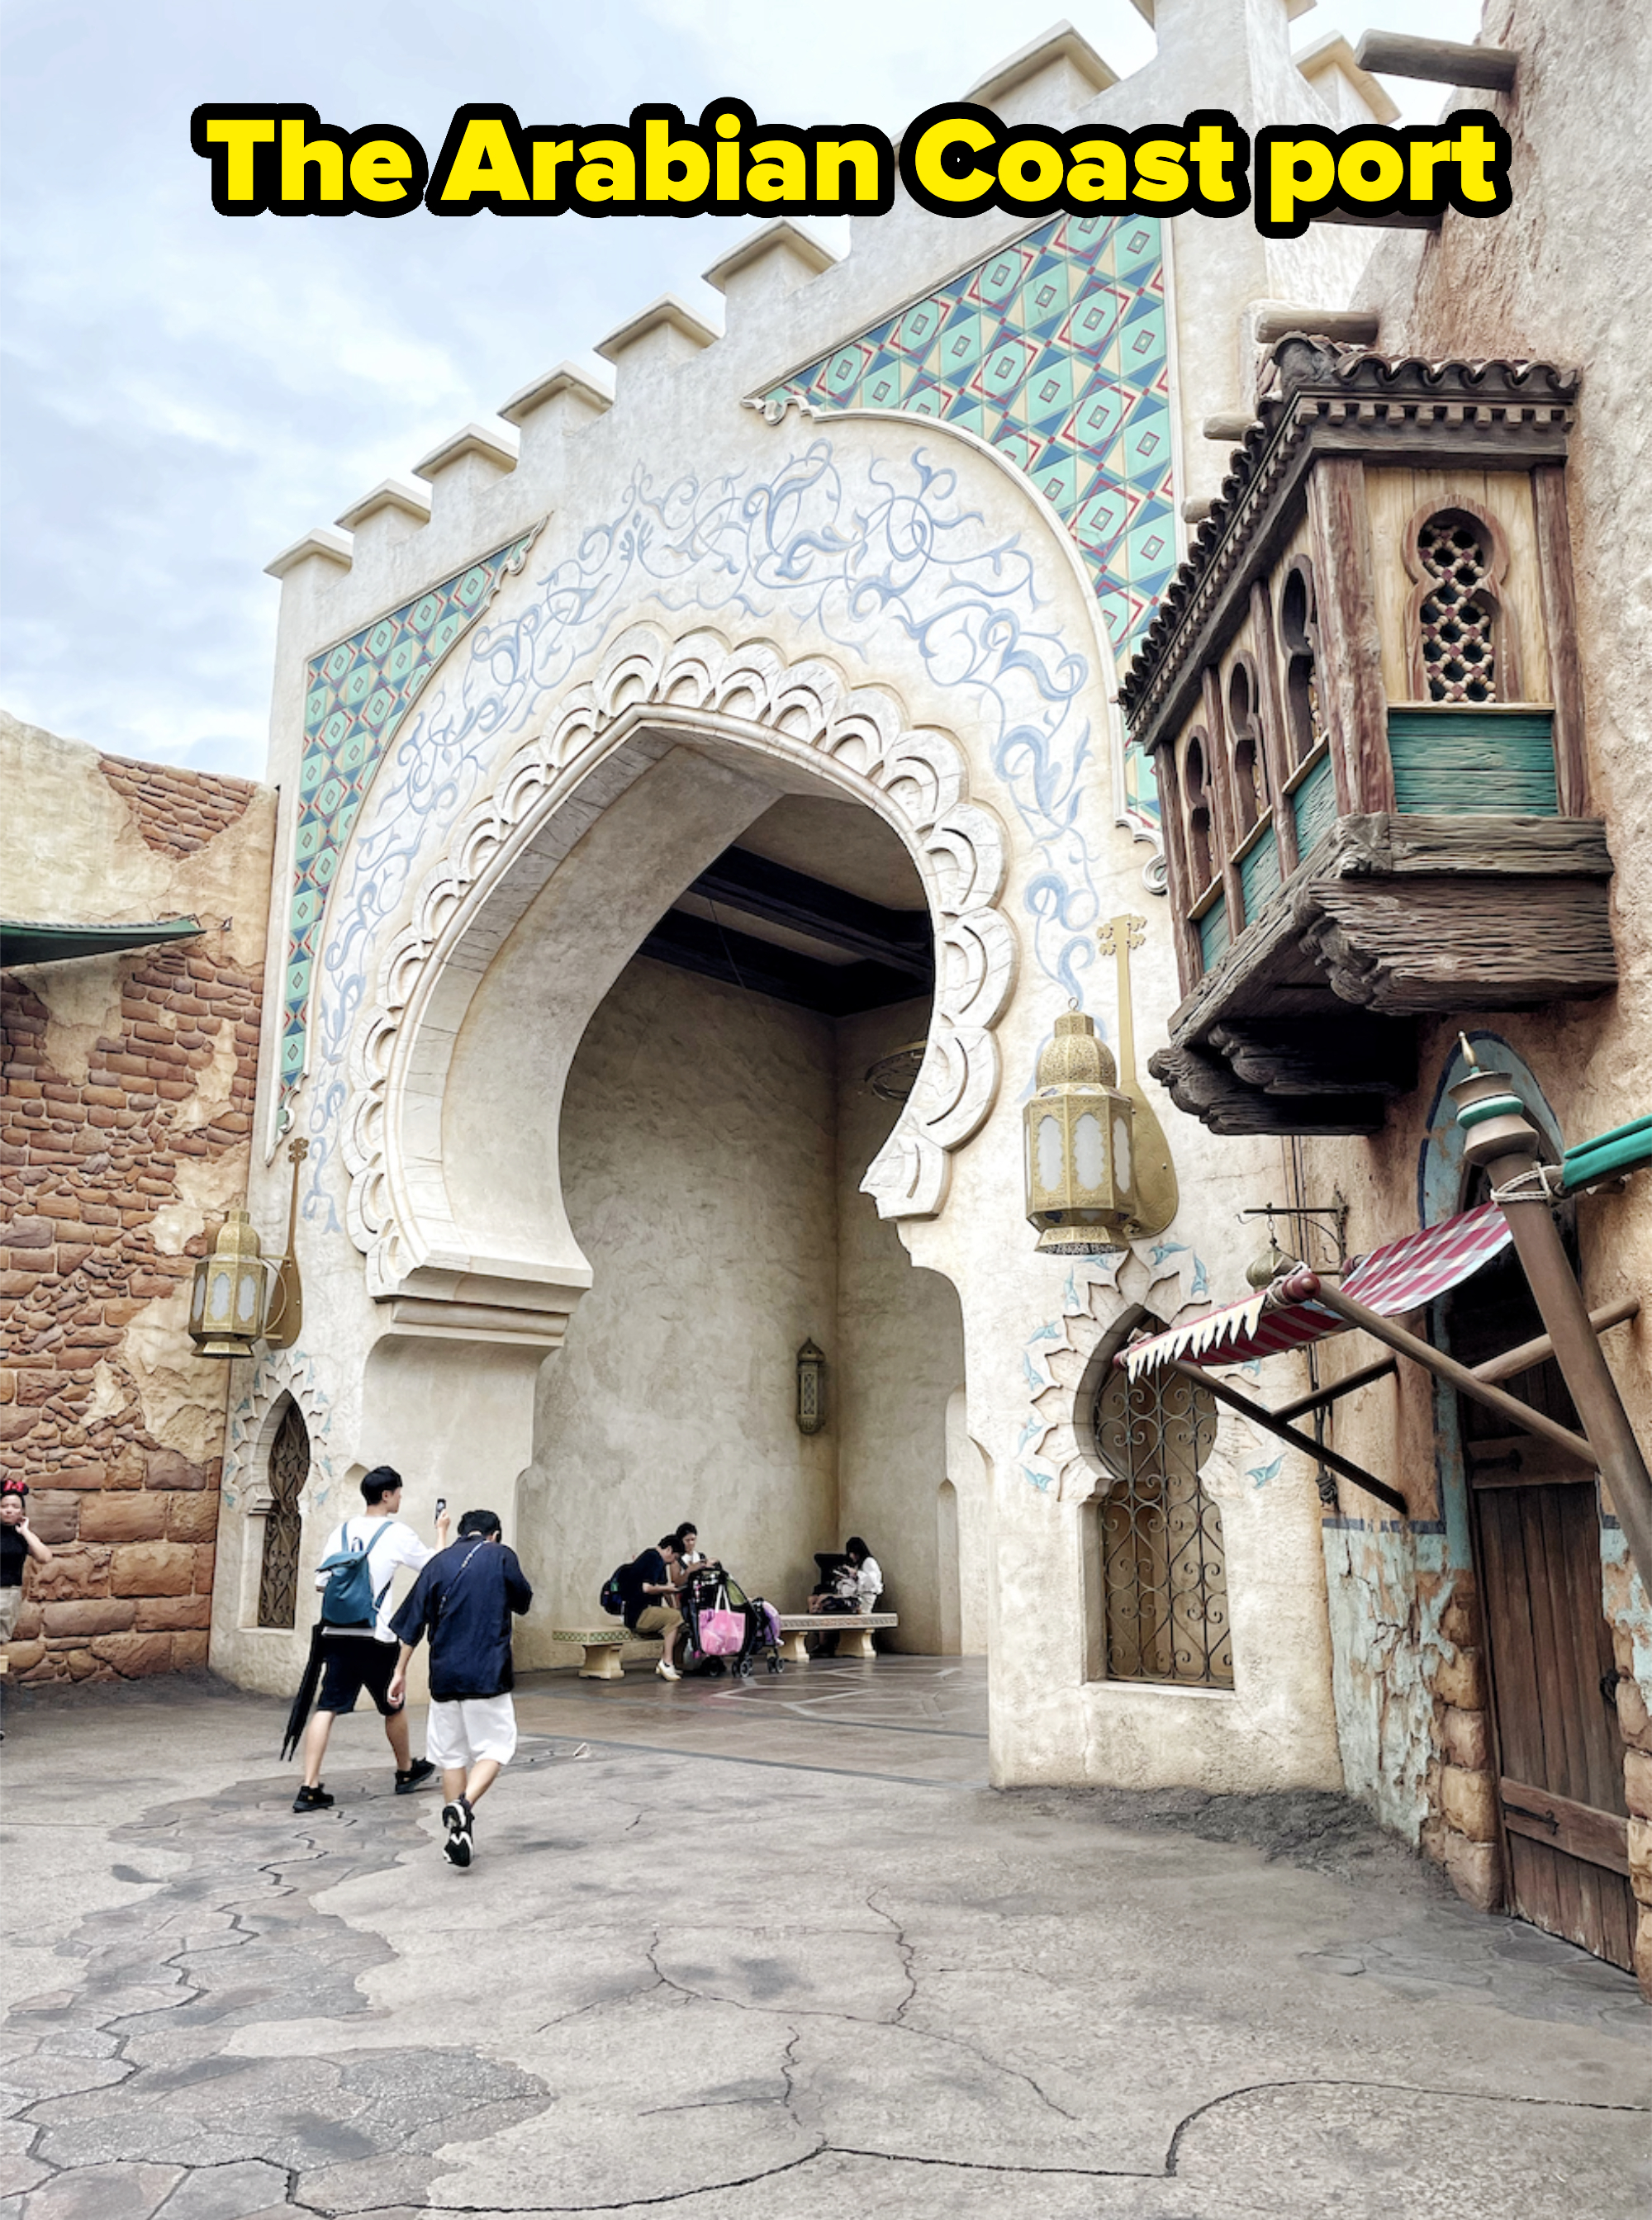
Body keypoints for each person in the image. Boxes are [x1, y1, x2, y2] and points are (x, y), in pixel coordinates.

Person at [290, 1466, 448, 1814]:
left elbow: (321, 1582)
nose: (401, 1498)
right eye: (399, 1493)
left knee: (327, 1707)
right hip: (376, 1636)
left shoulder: (342, 1531)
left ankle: (309, 1786)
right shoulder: (396, 1532)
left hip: (337, 1632)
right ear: (387, 1495)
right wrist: (441, 1532)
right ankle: (406, 1771)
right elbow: (435, 1566)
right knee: (393, 1704)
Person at [388, 1508, 533, 1869]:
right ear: (494, 1534)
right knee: (496, 1747)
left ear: (462, 1533)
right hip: (487, 1672)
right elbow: (523, 1601)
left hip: (444, 1675)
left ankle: (458, 1836)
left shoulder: (438, 1564)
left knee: (452, 1756)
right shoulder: (500, 1555)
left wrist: (399, 1671)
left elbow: (411, 1624)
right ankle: (464, 1806)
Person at [0, 1482, 53, 1677]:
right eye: (4, 1506)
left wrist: (26, 1531)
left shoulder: (22, 1536)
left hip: (9, 1594)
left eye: (14, 1506)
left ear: (22, 1510)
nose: (9, 1511)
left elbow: (45, 1557)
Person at [624, 1534, 686, 1681]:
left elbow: (665, 1590)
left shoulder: (659, 1561)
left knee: (680, 1620)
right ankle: (666, 1662)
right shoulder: (652, 1558)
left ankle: (668, 1662)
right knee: (675, 1618)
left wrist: (674, 1607)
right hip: (638, 1614)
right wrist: (668, 1590)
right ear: (669, 1550)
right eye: (675, 1557)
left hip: (645, 1612)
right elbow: (646, 1588)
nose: (673, 1562)